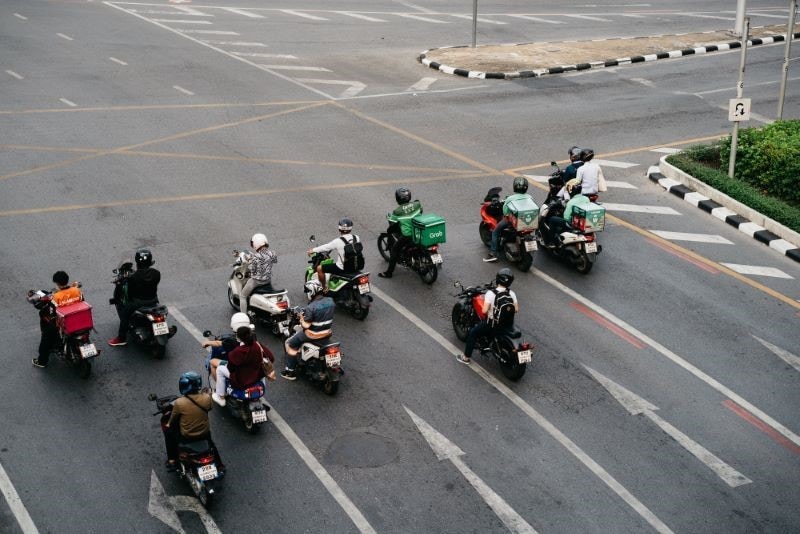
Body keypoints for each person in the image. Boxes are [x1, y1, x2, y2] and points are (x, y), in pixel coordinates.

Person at [163, 371, 223, 472]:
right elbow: (209, 408)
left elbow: (172, 421)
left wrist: (168, 424)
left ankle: (172, 460)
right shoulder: (207, 398)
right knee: (211, 443)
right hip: (204, 433)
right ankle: (219, 465)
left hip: (187, 436)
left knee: (169, 432)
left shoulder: (179, 403)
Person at [457, 268, 519, 365]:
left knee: (473, 333)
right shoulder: (512, 293)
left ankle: (466, 358)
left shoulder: (491, 293)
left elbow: (484, 311)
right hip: (508, 324)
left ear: (498, 279)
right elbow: (516, 309)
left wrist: (492, 310)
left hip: (493, 325)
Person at [209, 313, 272, 407]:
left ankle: (221, 397)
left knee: (219, 369)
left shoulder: (237, 352)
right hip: (256, 376)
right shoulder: (258, 346)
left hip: (242, 380)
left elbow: (230, 367)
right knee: (262, 372)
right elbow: (270, 357)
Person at [281, 280, 335, 380]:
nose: (307, 294)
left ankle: (289, 372)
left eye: (307, 292)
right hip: (327, 333)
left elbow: (306, 325)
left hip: (313, 334)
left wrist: (301, 318)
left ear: (312, 292)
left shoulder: (311, 307)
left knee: (291, 344)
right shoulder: (330, 301)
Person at [108, 248, 161, 346]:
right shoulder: (156, 273)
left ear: (137, 261)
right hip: (154, 300)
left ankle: (121, 338)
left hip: (138, 303)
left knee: (124, 314)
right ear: (150, 260)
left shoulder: (133, 277)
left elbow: (130, 293)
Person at [31, 271, 84, 368]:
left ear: (57, 283)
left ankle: (42, 361)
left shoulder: (56, 297)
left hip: (63, 322)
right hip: (78, 319)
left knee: (46, 336)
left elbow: (52, 312)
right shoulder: (77, 291)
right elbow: (82, 302)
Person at [484, 176, 533, 262]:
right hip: (527, 221)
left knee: (495, 232)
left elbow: (505, 212)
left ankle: (493, 253)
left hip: (513, 221)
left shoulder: (510, 199)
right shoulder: (530, 197)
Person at [307, 218, 362, 292]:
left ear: (339, 229)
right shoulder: (356, 237)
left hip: (342, 268)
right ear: (351, 228)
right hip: (358, 265)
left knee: (319, 268)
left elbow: (325, 247)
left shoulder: (338, 241)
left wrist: (312, 250)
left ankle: (324, 288)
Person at [378, 187, 422, 279]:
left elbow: (392, 224)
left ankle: (389, 273)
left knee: (394, 250)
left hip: (408, 236)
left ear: (398, 198)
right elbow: (421, 212)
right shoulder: (417, 204)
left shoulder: (397, 211)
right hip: (419, 231)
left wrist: (390, 218)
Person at [239, 233, 278, 316]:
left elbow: (251, 269)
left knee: (242, 296)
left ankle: (243, 316)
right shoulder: (272, 253)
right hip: (267, 280)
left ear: (256, 244)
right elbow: (274, 260)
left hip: (256, 281)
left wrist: (249, 262)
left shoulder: (256, 257)